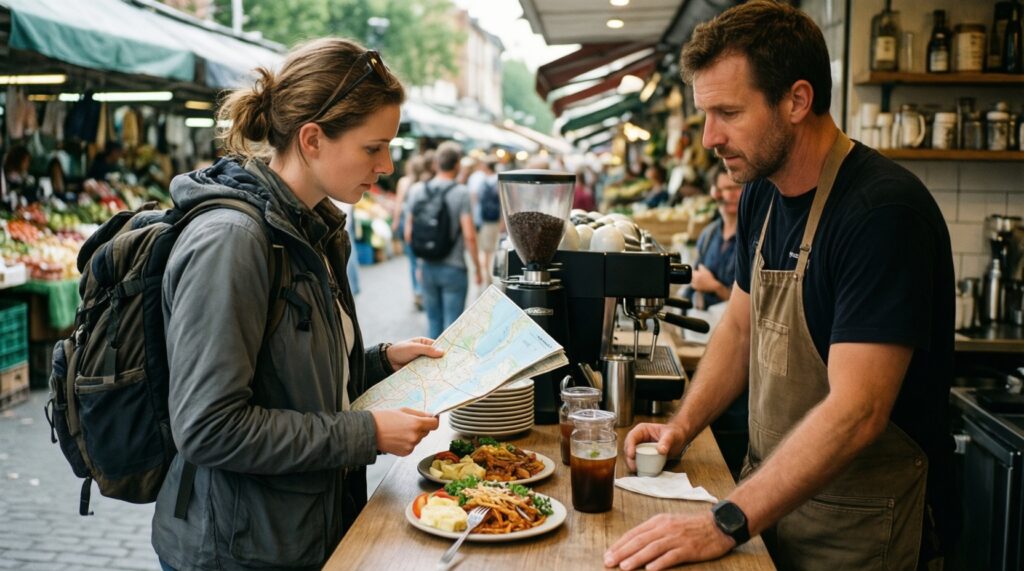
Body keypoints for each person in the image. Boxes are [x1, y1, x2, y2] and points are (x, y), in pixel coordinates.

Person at [605, 3, 955, 570]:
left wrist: (723, 524)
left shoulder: (883, 214)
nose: (710, 137)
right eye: (705, 114)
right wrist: (679, 429)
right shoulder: (762, 194)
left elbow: (858, 410)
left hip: (863, 531)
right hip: (770, 509)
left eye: (729, 112)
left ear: (796, 100)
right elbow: (740, 329)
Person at [151, 38, 442, 570]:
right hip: (237, 550)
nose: (387, 165)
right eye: (373, 147)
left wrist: (377, 362)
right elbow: (209, 427)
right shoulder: (232, 241)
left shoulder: (313, 229)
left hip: (300, 534)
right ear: (312, 139)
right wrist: (367, 433)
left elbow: (293, 380)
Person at [405, 141, 482, 338]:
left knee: (433, 323)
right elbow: (469, 236)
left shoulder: (417, 190)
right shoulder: (461, 193)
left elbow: (408, 234)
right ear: (457, 165)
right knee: (453, 327)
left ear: (436, 163)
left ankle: (432, 366)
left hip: (428, 267)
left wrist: (420, 264)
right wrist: (478, 268)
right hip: (454, 268)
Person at [681, 162, 743, 311]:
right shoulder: (708, 234)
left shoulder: (756, 237)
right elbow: (694, 285)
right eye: (723, 189)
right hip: (706, 324)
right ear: (713, 192)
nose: (728, 195)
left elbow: (756, 304)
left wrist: (715, 287)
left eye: (735, 188)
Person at [392, 155, 426, 309]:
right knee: (424, 261)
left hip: (407, 227)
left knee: (412, 261)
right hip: (423, 228)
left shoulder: (404, 182)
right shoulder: (425, 183)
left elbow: (398, 204)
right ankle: (424, 291)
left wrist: (395, 222)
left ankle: (417, 291)